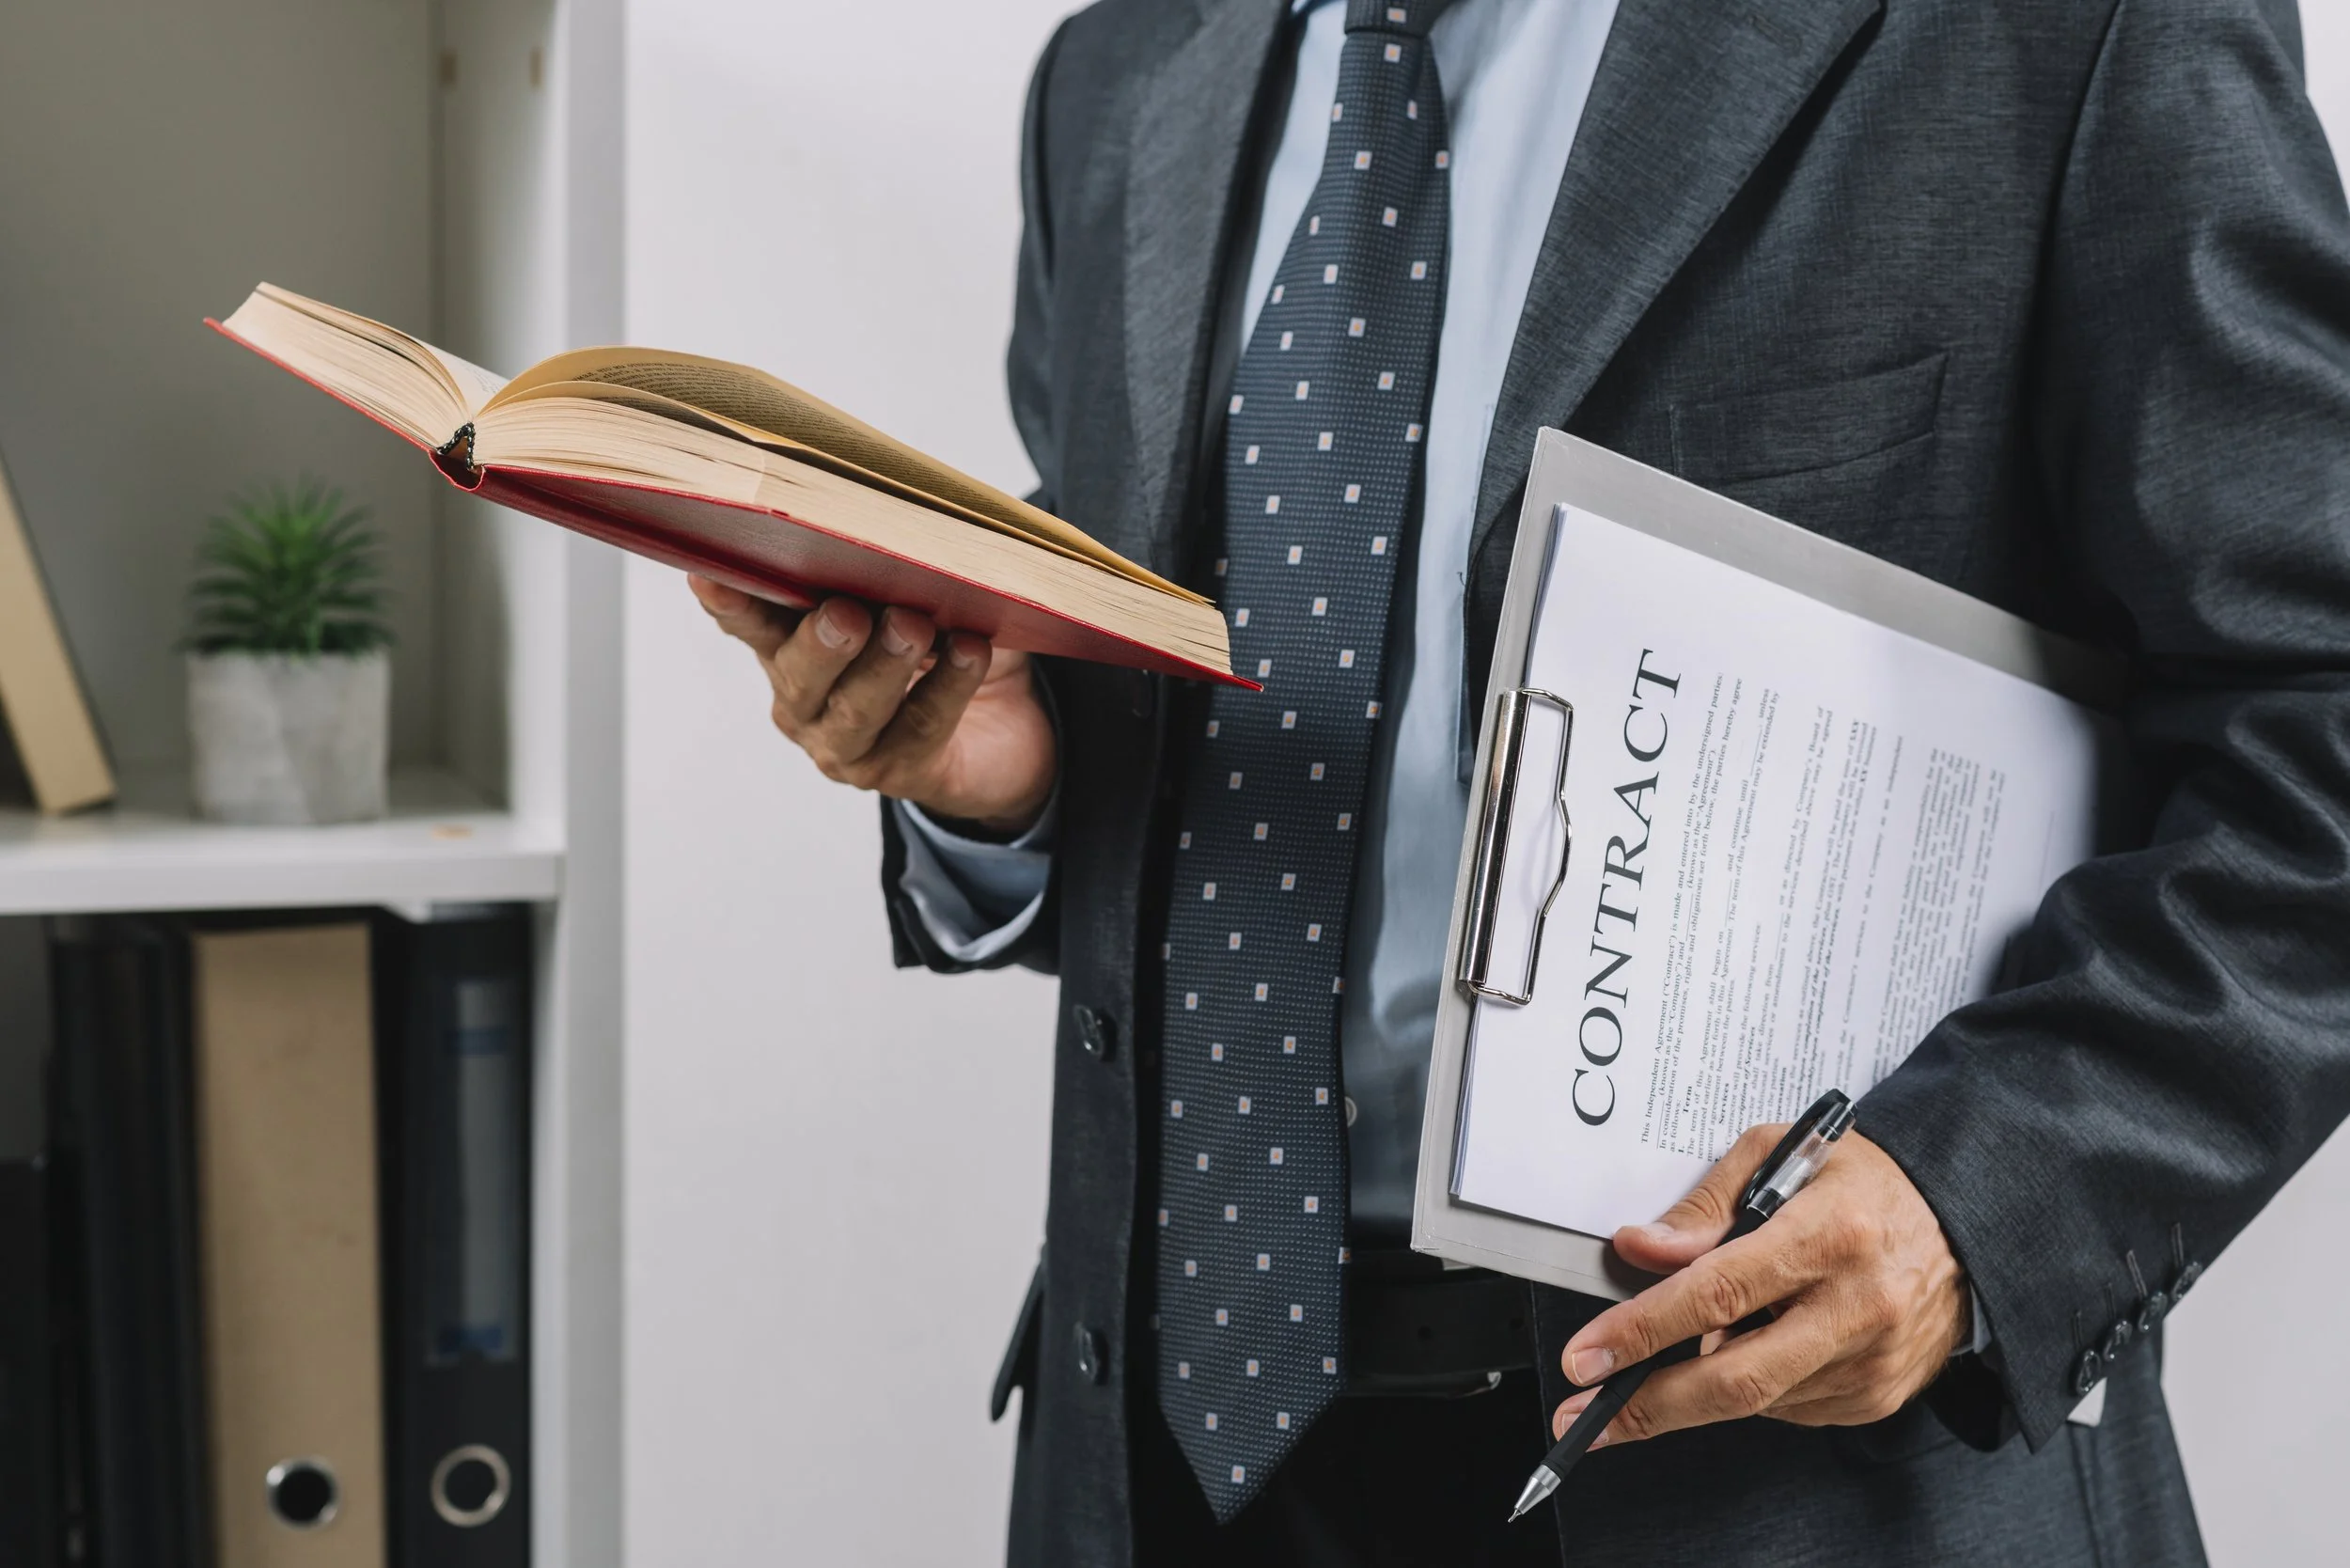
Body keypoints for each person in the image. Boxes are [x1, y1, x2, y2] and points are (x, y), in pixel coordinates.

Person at [691, 0, 2350, 1561]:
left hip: (1789, 1473)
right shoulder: (1119, 73)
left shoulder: (2061, 28)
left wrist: (1970, 1208)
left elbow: (2315, 724)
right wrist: (1012, 794)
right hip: (1155, 1462)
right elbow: (1224, 773)